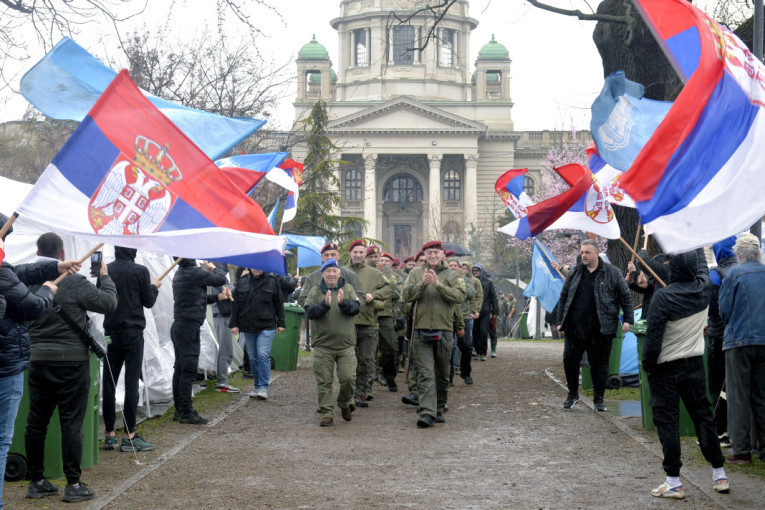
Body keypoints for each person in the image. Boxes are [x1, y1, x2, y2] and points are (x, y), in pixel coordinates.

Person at [25, 233, 117, 503]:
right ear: (63, 255)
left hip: (37, 360)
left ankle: (37, 481)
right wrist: (105, 276)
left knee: (36, 423)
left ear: (37, 251)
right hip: (72, 363)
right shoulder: (75, 283)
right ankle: (73, 484)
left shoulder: (25, 281)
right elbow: (108, 304)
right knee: (71, 423)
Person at [642, 249, 728, 499]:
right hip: (694, 365)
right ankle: (719, 473)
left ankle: (673, 480)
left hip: (665, 369)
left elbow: (653, 340)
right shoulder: (705, 290)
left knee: (668, 423)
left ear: (673, 268)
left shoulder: (663, 297)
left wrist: (648, 365)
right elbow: (701, 269)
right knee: (703, 418)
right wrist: (695, 242)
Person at [0, 220, 68, 507]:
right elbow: (33, 306)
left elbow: (14, 274)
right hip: (7, 366)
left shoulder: (5, 270)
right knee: (3, 439)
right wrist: (46, 291)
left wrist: (53, 268)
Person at [556, 239, 633, 412]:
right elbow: (563, 298)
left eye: (587, 252)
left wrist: (628, 319)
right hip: (575, 327)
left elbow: (625, 297)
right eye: (582, 252)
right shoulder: (574, 273)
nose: (583, 255)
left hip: (601, 328)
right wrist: (560, 322)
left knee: (600, 364)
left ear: (597, 253)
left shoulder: (612, 273)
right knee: (570, 361)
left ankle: (599, 399)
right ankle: (572, 394)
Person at [102, 247, 161, 453]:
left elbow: (103, 300)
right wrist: (154, 287)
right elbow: (148, 301)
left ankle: (110, 435)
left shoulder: (106, 269)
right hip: (133, 333)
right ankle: (129, 436)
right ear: (133, 251)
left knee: (109, 382)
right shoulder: (140, 271)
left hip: (110, 332)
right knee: (131, 382)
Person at [403, 240, 466, 428]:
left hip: (445, 330)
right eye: (429, 252)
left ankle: (438, 408)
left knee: (442, 373)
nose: (432, 256)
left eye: (436, 253)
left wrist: (439, 286)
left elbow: (460, 296)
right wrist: (422, 285)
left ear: (443, 256)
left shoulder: (453, 275)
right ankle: (427, 412)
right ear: (424, 255)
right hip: (421, 330)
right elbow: (406, 295)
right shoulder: (415, 273)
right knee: (425, 373)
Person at [719, 233, 765, 465]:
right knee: (762, 395)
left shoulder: (734, 274)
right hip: (763, 341)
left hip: (738, 341)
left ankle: (742, 451)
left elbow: (724, 311)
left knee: (738, 397)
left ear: (738, 253)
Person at [171, 258, 228, 424]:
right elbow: (221, 279)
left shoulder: (180, 273)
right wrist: (213, 268)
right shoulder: (194, 272)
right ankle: (186, 411)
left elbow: (197, 298)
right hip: (188, 327)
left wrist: (219, 297)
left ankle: (179, 410)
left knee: (180, 369)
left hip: (180, 326)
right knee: (188, 370)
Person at [304, 258, 360, 426]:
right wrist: (325, 305)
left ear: (339, 273)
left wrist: (343, 303)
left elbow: (356, 309)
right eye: (328, 271)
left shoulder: (348, 289)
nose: (331, 274)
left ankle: (344, 403)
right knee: (324, 381)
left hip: (346, 346)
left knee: (348, 379)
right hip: (323, 347)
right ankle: (327, 412)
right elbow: (309, 312)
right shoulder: (315, 291)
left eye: (334, 271)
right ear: (322, 274)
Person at [344, 240, 393, 408]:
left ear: (365, 255)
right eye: (355, 252)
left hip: (367, 323)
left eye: (361, 252)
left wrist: (374, 295)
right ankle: (348, 393)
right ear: (350, 253)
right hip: (346, 323)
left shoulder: (374, 273)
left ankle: (362, 393)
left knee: (366, 359)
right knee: (348, 361)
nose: (358, 255)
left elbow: (389, 290)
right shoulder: (342, 272)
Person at [230, 267, 285, 400]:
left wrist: (281, 323)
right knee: (253, 358)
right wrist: (234, 324)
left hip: (266, 324)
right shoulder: (242, 282)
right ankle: (257, 386)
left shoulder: (272, 281)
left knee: (262, 354)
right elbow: (236, 305)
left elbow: (279, 303)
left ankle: (264, 387)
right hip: (248, 326)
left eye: (259, 266)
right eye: (254, 266)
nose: (257, 269)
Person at [706, 236, 737, 449]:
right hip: (741, 335)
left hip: (719, 336)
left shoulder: (715, 275)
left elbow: (712, 307)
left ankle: (720, 430)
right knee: (740, 387)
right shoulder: (744, 270)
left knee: (718, 386)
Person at [373, 250, 402, 392]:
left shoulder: (394, 276)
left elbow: (396, 293)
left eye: (386, 261)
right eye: (381, 260)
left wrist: (385, 276)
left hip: (386, 314)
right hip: (369, 313)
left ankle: (390, 376)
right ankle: (368, 378)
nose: (382, 263)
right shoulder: (369, 272)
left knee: (390, 347)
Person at [471, 263, 497, 361]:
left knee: (483, 332)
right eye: (474, 271)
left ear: (481, 271)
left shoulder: (488, 282)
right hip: (474, 311)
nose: (475, 272)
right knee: (475, 332)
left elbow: (493, 297)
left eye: (477, 271)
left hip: (485, 311)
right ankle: (477, 352)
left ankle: (483, 353)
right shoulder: (471, 281)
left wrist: (494, 311)